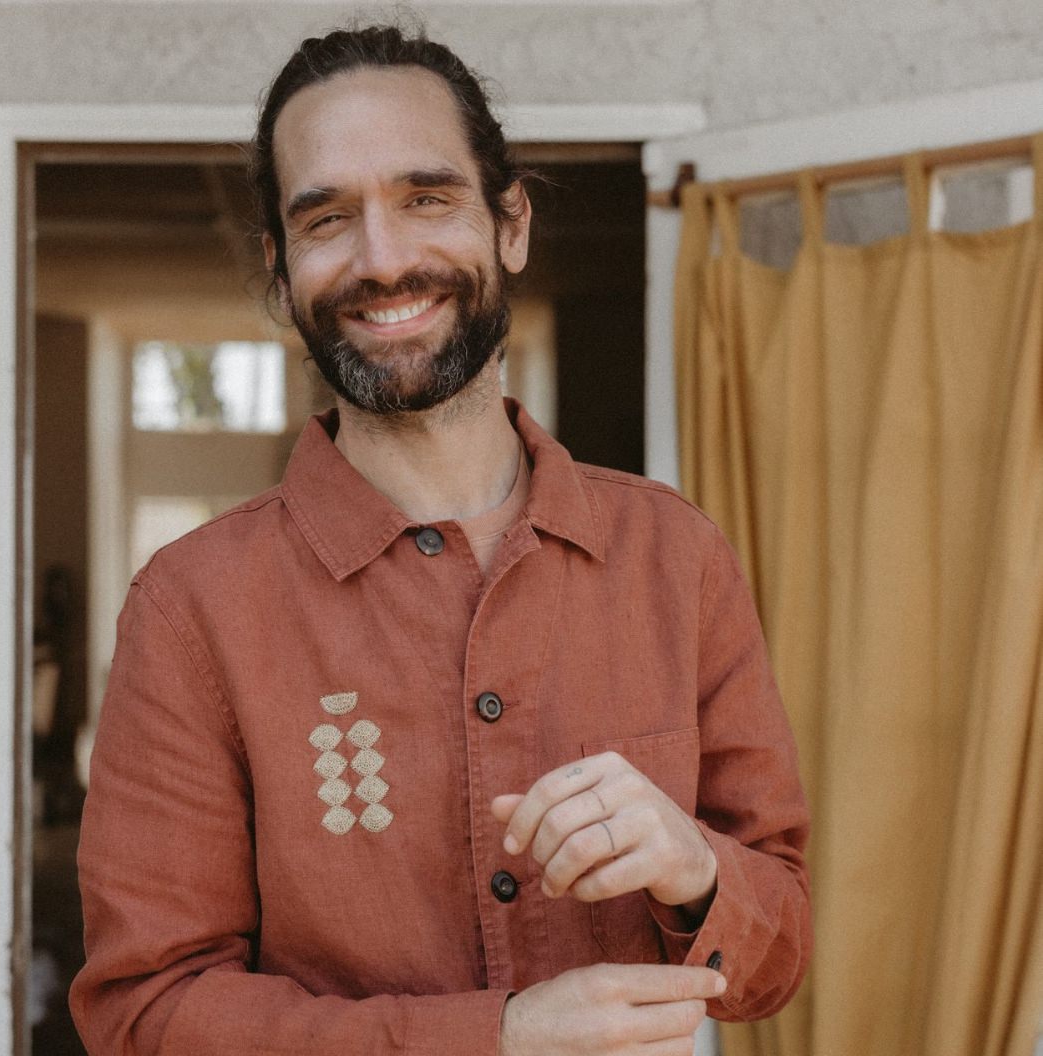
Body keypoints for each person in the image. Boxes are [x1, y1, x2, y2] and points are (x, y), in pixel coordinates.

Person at [70, 20, 811, 1056]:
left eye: (426, 198)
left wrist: (695, 868)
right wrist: (493, 1038)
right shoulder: (191, 609)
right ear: (280, 273)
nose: (384, 259)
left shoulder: (675, 556)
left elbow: (777, 953)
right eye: (328, 218)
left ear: (511, 226)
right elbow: (144, 1017)